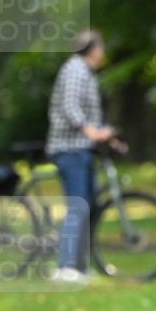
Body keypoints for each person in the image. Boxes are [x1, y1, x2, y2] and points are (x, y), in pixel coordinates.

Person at [45, 29, 123, 284]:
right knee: (77, 207)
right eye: (100, 47)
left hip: (81, 148)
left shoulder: (85, 72)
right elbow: (70, 107)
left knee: (88, 207)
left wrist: (108, 138)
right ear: (94, 49)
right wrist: (92, 131)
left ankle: (79, 266)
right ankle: (65, 267)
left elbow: (89, 115)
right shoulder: (75, 69)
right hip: (70, 148)